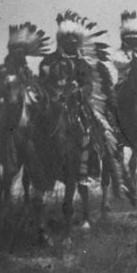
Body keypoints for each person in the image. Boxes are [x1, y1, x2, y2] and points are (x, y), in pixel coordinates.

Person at [39, 11, 108, 183]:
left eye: (74, 42)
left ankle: (87, 170)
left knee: (89, 129)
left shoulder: (81, 63)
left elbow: (88, 85)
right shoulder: (49, 60)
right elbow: (42, 81)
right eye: (67, 42)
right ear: (61, 42)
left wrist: (79, 92)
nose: (71, 45)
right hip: (51, 102)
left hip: (75, 104)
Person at [0, 22, 50, 167]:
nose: (19, 56)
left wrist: (33, 88)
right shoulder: (2, 69)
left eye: (21, 54)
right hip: (4, 103)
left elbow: (34, 85)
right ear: (11, 54)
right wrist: (4, 89)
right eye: (16, 53)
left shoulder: (26, 71)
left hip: (26, 103)